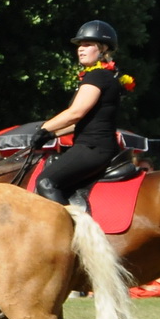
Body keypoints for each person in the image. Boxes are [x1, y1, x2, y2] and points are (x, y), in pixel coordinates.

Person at [26, 20, 134, 207]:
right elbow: (82, 122)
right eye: (79, 45)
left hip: (93, 147)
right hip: (96, 146)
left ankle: (73, 224)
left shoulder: (97, 76)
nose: (81, 49)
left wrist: (43, 128)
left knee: (45, 181)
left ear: (103, 49)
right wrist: (51, 135)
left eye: (87, 44)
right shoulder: (103, 76)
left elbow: (76, 113)